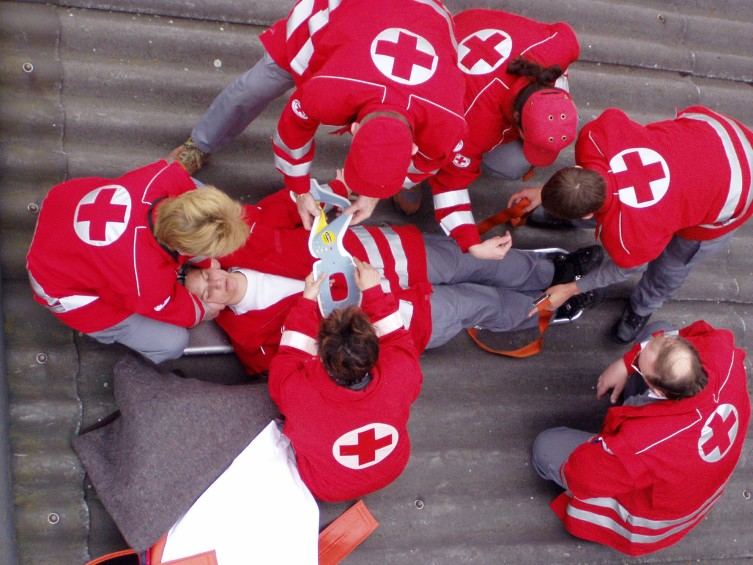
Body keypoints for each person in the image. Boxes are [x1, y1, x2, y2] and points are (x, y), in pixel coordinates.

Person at [183, 186, 604, 374]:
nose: (213, 288)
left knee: (474, 261)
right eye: (205, 298)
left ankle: (552, 270)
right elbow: (306, 367)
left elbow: (293, 202)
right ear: (208, 313)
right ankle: (551, 306)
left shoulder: (241, 240)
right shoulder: (250, 343)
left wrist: (322, 198)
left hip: (396, 256)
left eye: (205, 280)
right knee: (481, 304)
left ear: (210, 266)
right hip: (399, 319)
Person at [173, 0, 465, 229]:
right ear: (354, 129)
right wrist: (300, 191)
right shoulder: (327, 93)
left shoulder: (448, 122)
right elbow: (291, 136)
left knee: (390, 175)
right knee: (253, 88)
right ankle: (200, 144)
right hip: (336, 18)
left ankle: (387, 178)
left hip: (424, 15)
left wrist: (375, 191)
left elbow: (429, 162)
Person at [508, 105, 753, 342]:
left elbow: (623, 268)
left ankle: (644, 306)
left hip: (738, 189)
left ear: (585, 215)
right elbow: (586, 181)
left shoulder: (631, 237)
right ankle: (568, 208)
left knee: (673, 263)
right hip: (714, 132)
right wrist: (546, 193)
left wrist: (572, 288)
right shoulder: (596, 138)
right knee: (626, 210)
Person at [531, 320, 750, 556]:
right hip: (692, 481)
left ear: (657, 391)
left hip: (652, 517)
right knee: (659, 327)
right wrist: (625, 364)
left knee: (546, 446)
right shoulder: (720, 351)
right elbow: (678, 336)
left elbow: (582, 475)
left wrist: (604, 447)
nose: (639, 354)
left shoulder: (641, 443)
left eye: (639, 368)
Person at [392, 8, 579, 261]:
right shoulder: (470, 125)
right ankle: (404, 175)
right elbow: (450, 184)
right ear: (517, 123)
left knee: (513, 160)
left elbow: (563, 32)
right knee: (427, 145)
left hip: (474, 22)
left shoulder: (561, 45)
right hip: (435, 54)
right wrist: (471, 243)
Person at [26, 159, 249, 363]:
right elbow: (172, 307)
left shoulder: (163, 175)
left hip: (61, 204)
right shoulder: (145, 279)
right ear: (181, 247)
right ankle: (109, 336)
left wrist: (206, 262)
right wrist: (201, 310)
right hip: (52, 279)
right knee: (172, 343)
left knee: (196, 187)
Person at [266, 263, 422, 502]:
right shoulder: (402, 371)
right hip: (391, 468)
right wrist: (374, 291)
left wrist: (307, 301)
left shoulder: (297, 393)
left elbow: (287, 356)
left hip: (328, 487)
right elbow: (397, 337)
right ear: (375, 349)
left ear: (320, 352)